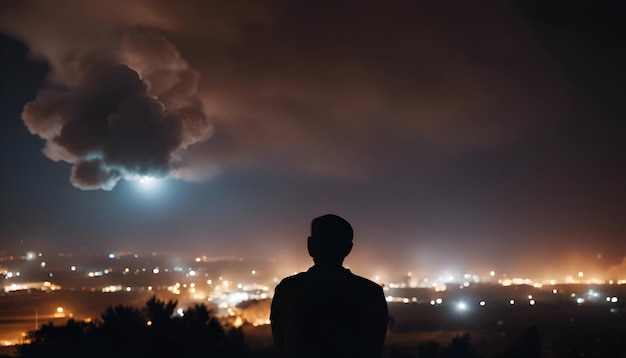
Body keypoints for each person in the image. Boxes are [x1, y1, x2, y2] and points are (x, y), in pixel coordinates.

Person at [271, 214, 389, 358]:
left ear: (310, 245)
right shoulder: (371, 294)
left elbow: (280, 346)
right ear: (348, 249)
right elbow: (375, 349)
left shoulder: (288, 290)